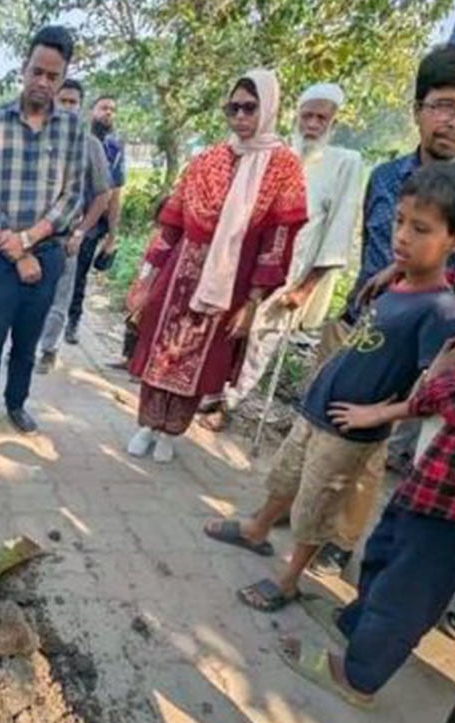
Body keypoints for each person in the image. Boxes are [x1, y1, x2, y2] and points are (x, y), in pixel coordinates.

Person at [205, 162, 455, 612]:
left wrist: (377, 416)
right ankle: (257, 530)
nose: (402, 237)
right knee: (286, 475)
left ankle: (290, 580)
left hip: (352, 430)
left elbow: (436, 397)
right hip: (319, 408)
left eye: (421, 229)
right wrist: (394, 269)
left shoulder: (442, 312)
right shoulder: (398, 281)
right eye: (400, 222)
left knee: (315, 507)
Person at [276, 267, 455, 708]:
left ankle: (357, 677)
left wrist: (441, 374)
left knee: (410, 586)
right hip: (446, 464)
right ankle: (356, 625)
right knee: (388, 548)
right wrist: (423, 268)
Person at [327, 44, 455, 472]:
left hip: (418, 364)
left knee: (368, 467)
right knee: (321, 443)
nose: (454, 121)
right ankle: (299, 524)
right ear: (417, 109)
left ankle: (330, 538)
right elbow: (369, 259)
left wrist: (432, 385)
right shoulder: (386, 177)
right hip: (358, 332)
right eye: (443, 105)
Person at [125, 70, 307, 463]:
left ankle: (172, 433)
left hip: (231, 283)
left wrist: (254, 300)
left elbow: (277, 240)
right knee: (161, 348)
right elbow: (171, 223)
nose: (240, 116)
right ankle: (146, 424)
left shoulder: (284, 167)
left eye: (249, 108)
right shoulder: (207, 159)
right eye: (233, 108)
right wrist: (147, 276)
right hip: (181, 273)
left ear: (269, 109)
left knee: (200, 359)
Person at [204, 84, 363, 434]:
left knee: (263, 338)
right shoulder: (275, 153)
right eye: (307, 115)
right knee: (231, 327)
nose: (313, 124)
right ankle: (210, 390)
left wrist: (307, 288)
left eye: (322, 117)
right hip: (253, 261)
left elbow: (338, 230)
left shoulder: (344, 163)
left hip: (295, 270)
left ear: (333, 121)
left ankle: (227, 403)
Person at [0, 25, 86, 442]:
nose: (43, 82)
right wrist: (15, 251)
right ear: (23, 67)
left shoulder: (73, 129)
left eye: (53, 77)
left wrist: (30, 241)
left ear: (63, 78)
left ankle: (16, 404)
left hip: (46, 256)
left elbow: (73, 197)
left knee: (27, 340)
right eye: (37, 71)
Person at [36, 78, 113, 374]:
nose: (67, 107)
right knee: (32, 297)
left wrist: (82, 231)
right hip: (34, 236)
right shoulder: (38, 139)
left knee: (60, 294)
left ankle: (48, 349)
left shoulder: (90, 145)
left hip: (67, 237)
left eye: (73, 102)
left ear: (80, 107)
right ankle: (26, 347)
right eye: (62, 100)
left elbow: (104, 193)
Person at [73, 94, 125, 343]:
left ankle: (72, 322)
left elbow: (115, 193)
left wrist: (112, 235)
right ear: (90, 111)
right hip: (66, 218)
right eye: (104, 108)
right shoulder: (77, 140)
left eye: (112, 109)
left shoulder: (114, 149)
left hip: (93, 223)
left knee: (80, 274)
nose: (108, 113)